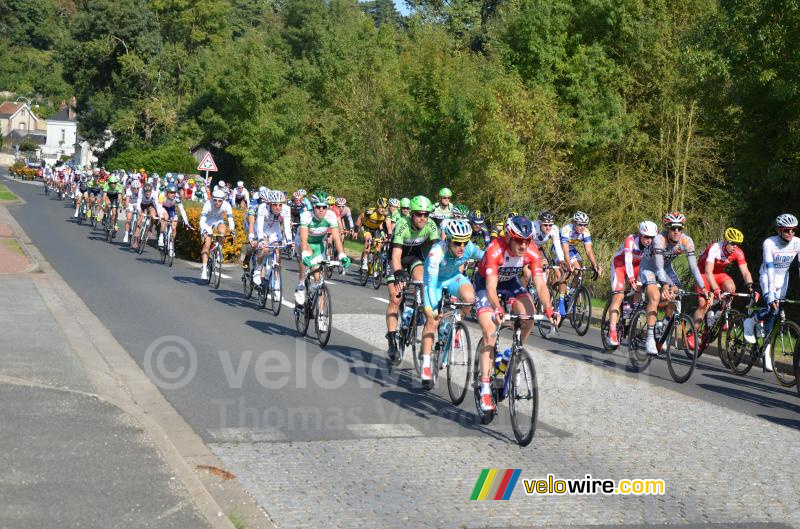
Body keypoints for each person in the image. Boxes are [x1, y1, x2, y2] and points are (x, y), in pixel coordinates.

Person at [473, 216, 556, 412]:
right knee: (490, 331)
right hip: (486, 284)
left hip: (510, 283)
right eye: (519, 240)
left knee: (529, 316)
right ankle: (485, 386)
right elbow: (491, 288)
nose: (523, 245)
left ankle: (515, 357)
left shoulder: (532, 251)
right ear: (509, 237)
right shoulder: (495, 250)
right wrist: (498, 308)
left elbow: (541, 285)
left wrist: (550, 310)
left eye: (527, 240)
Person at [419, 219, 484, 385]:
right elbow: (430, 285)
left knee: (470, 298)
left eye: (465, 242)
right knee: (432, 320)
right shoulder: (437, 252)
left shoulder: (468, 248)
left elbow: (487, 257)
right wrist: (431, 308)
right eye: (457, 243)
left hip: (453, 278)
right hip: (434, 282)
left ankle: (456, 323)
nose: (461, 246)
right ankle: (426, 364)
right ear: (448, 240)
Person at [638, 212, 706, 355]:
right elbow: (658, 268)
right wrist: (664, 285)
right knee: (655, 297)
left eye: (679, 228)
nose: (676, 232)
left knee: (677, 294)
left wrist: (704, 289)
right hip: (649, 267)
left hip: (666, 269)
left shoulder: (687, 241)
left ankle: (663, 325)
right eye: (673, 228)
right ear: (667, 228)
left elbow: (694, 268)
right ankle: (650, 338)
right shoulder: (659, 240)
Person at [742, 214, 800, 371]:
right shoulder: (769, 243)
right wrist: (770, 294)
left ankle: (766, 347)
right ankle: (752, 321)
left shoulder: (797, 243)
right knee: (771, 306)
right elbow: (770, 268)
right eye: (786, 230)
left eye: (793, 230)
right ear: (779, 230)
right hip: (768, 276)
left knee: (776, 312)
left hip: (783, 279)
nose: (790, 233)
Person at [386, 196, 440, 362]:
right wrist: (398, 273)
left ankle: (417, 309)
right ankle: (392, 340)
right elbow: (396, 255)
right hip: (397, 260)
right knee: (396, 299)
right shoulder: (403, 225)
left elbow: (438, 251)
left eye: (426, 214)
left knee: (423, 282)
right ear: (412, 215)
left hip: (415, 259)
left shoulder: (431, 225)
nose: (423, 218)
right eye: (418, 214)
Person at [692, 227, 753, 334]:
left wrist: (751, 287)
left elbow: (745, 272)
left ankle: (722, 315)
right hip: (703, 273)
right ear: (725, 241)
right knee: (703, 304)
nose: (735, 247)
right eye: (733, 243)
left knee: (731, 288)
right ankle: (693, 332)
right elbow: (708, 272)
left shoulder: (738, 252)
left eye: (738, 244)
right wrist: (716, 289)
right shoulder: (715, 248)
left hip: (718, 274)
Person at [606, 221, 657, 346]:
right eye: (646, 237)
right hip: (620, 265)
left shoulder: (655, 245)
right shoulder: (630, 240)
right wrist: (631, 279)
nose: (649, 240)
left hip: (638, 267)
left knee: (639, 290)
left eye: (651, 237)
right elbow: (628, 261)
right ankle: (612, 332)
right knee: (619, 296)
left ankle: (631, 315)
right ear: (640, 235)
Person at [295, 193, 351, 305]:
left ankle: (320, 315)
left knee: (319, 279)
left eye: (324, 207)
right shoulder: (306, 215)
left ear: (327, 207)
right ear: (313, 206)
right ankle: (301, 285)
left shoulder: (331, 215)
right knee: (306, 257)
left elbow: (336, 236)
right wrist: (305, 253)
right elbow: (304, 238)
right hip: (304, 242)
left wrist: (342, 255)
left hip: (319, 244)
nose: (321, 210)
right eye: (318, 207)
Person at [558, 211, 601, 316]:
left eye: (585, 225)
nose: (582, 227)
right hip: (560, 249)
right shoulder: (566, 230)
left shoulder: (585, 232)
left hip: (571, 249)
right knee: (567, 272)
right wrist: (569, 264)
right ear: (574, 222)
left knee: (579, 271)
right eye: (580, 224)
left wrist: (595, 264)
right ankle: (561, 301)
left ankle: (571, 293)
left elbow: (589, 251)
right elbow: (565, 251)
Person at [252, 190, 292, 286]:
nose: (278, 207)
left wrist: (289, 240)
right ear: (269, 204)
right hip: (263, 231)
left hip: (275, 232)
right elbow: (259, 227)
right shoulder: (263, 208)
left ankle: (274, 280)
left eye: (280, 205)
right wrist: (261, 240)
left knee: (278, 255)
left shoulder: (286, 209)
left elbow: (287, 227)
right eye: (274, 205)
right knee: (264, 249)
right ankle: (257, 270)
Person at [199, 190, 235, 280]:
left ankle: (219, 249)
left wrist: (232, 229)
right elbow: (202, 219)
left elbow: (230, 218)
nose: (217, 203)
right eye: (215, 200)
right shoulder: (207, 204)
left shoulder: (227, 205)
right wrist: (203, 230)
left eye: (219, 201)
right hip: (207, 222)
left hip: (218, 220)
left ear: (223, 200)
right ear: (212, 199)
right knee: (207, 244)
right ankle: (204, 269)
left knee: (223, 232)